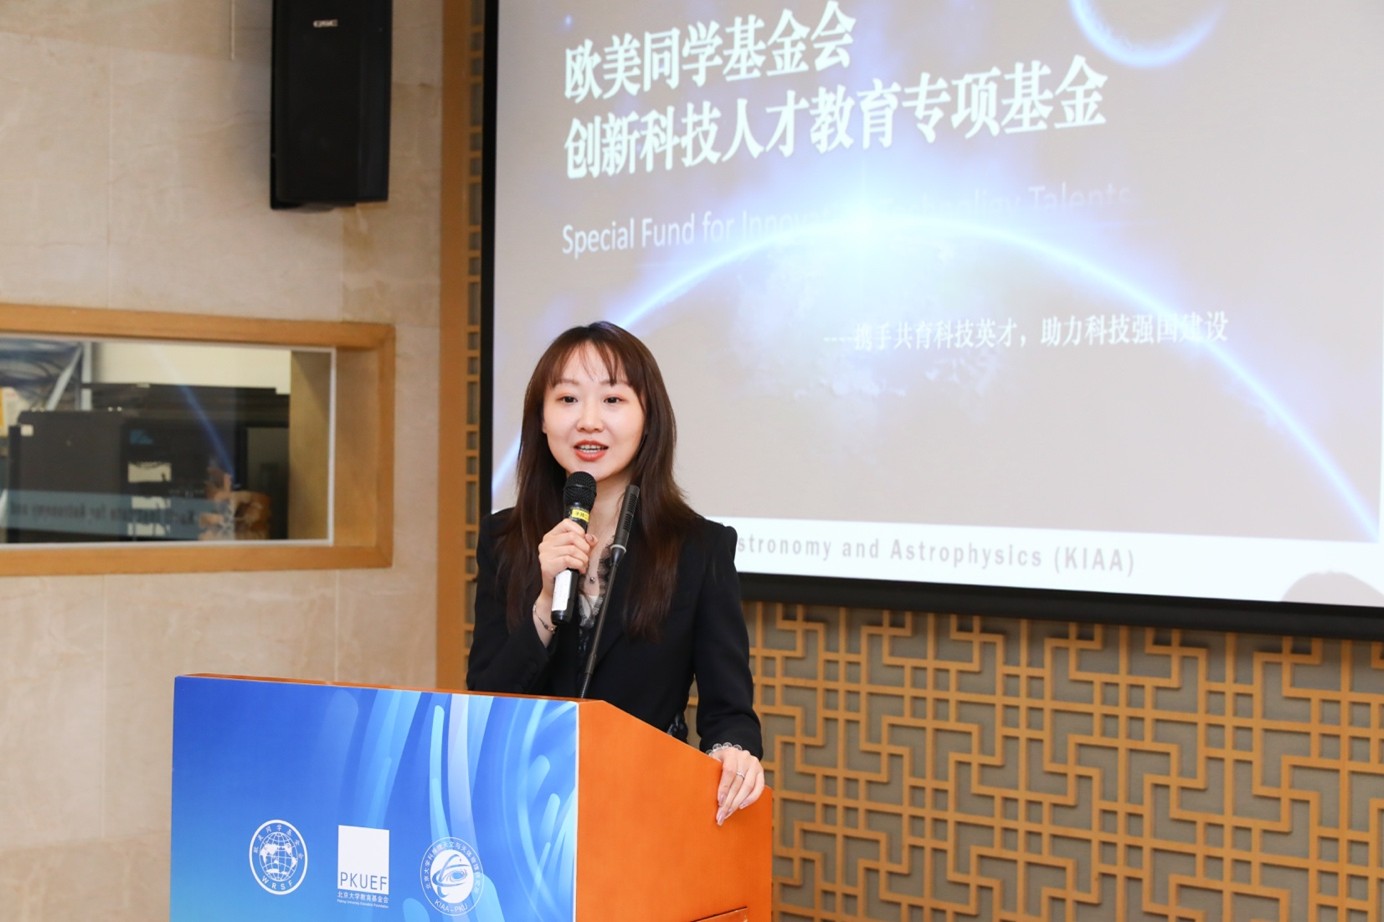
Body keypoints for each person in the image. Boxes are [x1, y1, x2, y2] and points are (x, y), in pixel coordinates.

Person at [467, 321, 765, 825]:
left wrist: (731, 751)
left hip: (645, 812)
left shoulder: (700, 548)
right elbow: (484, 702)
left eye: (612, 400)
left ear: (648, 419)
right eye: (567, 399)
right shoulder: (504, 539)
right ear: (541, 420)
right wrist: (545, 603)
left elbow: (729, 710)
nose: (588, 422)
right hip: (522, 811)